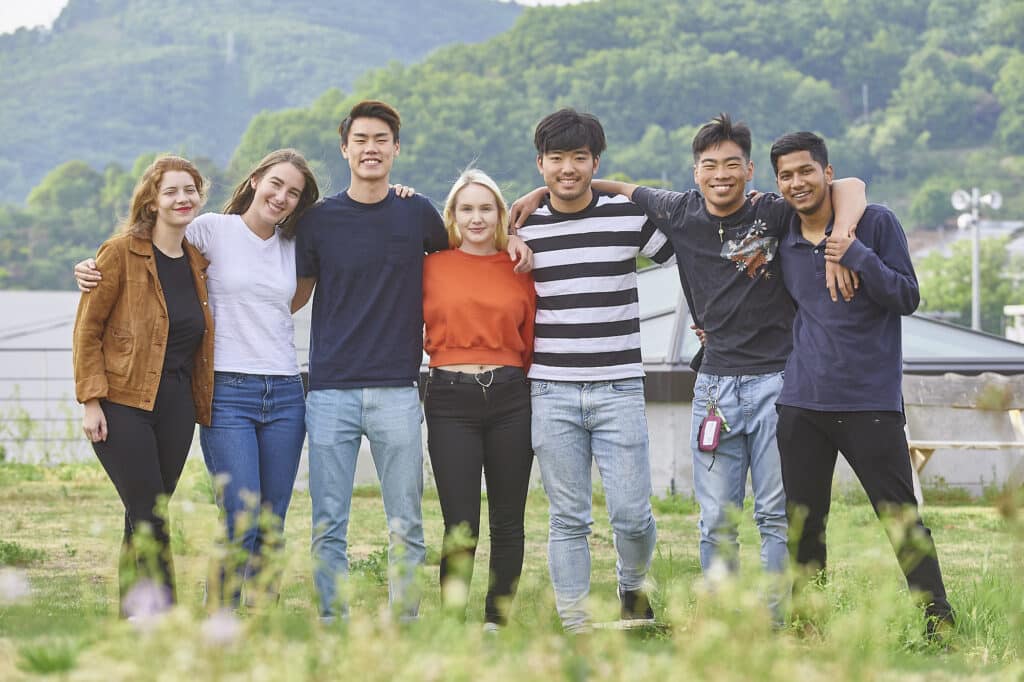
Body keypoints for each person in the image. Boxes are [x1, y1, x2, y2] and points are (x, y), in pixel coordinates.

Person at [513, 113, 866, 625]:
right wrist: (529, 204)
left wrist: (843, 241)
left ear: (748, 170)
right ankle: (680, 621)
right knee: (702, 519)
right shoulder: (665, 212)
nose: (719, 174)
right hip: (679, 388)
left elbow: (847, 185)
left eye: (730, 164)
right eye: (708, 165)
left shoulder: (761, 210)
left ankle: (772, 621)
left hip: (753, 381)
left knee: (759, 514)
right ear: (695, 172)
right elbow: (489, 225)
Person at [291, 100, 533, 622]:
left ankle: (406, 620)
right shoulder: (318, 221)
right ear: (345, 148)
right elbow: (293, 293)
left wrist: (514, 233)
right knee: (329, 520)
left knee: (406, 522)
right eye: (361, 139)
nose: (371, 148)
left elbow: (473, 247)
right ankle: (332, 619)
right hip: (329, 389)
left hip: (399, 392)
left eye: (381, 139)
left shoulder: (416, 212)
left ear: (396, 149)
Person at [75, 149, 321, 608]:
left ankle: (259, 611)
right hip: (225, 389)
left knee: (271, 518)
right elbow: (143, 251)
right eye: (276, 184)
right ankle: (215, 610)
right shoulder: (210, 230)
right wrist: (90, 266)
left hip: (282, 389)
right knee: (235, 514)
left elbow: (291, 302)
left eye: (293, 193)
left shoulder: (294, 246)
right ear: (253, 180)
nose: (282, 197)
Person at [769, 131, 954, 636]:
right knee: (804, 527)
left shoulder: (875, 222)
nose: (796, 182)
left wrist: (854, 254)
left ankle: (940, 626)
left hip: (870, 401)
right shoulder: (782, 229)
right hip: (802, 404)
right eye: (785, 175)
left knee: (902, 521)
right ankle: (807, 624)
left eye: (806, 170)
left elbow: (908, 296)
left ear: (827, 173)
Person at [514, 109, 675, 633]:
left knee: (631, 514)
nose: (567, 169)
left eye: (579, 158)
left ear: (595, 162)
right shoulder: (522, 227)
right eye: (556, 159)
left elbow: (687, 256)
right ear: (540, 164)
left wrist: (710, 324)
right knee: (568, 517)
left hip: (619, 387)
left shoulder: (626, 217)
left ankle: (633, 586)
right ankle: (575, 623)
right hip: (551, 391)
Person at [73, 155, 214, 616]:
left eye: (189, 190)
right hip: (121, 403)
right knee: (151, 512)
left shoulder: (197, 261)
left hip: (176, 405)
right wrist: (91, 401)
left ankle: (134, 618)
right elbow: (87, 330)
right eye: (171, 191)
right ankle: (165, 615)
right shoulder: (118, 253)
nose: (182, 199)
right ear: (151, 201)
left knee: (143, 515)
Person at [422, 169, 535, 631]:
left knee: (508, 519)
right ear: (452, 215)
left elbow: (531, 337)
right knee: (460, 521)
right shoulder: (430, 265)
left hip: (511, 396)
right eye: (466, 208)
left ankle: (497, 619)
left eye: (486, 208)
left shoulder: (522, 266)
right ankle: (451, 621)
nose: (476, 218)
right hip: (450, 398)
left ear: (500, 215)